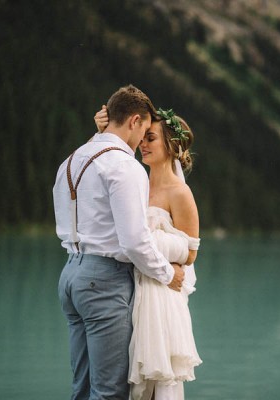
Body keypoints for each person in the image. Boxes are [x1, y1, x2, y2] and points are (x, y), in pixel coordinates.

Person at [53, 84, 185, 400]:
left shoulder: (70, 161)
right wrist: (169, 275)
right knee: (109, 391)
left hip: (71, 276)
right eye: (144, 131)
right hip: (104, 282)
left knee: (82, 388)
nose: (142, 142)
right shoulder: (124, 166)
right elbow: (134, 242)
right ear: (134, 120)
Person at [95, 105, 202, 400]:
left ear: (171, 145)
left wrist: (144, 238)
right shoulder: (135, 183)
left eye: (150, 138)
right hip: (128, 289)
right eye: (142, 137)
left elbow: (191, 253)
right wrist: (103, 130)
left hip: (161, 295)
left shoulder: (180, 193)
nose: (142, 144)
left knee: (157, 382)